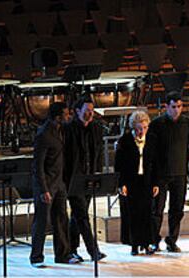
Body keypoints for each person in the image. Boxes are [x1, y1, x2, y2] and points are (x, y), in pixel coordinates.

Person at [145, 91, 189, 253]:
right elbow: (150, 151)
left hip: (180, 173)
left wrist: (187, 156)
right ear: (166, 106)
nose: (177, 110)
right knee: (157, 210)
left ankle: (172, 240)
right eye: (173, 107)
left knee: (177, 209)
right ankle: (154, 240)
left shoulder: (188, 123)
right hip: (160, 175)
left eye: (180, 106)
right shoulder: (156, 124)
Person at [30, 102, 79, 267]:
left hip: (59, 184)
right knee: (42, 221)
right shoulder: (43, 134)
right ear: (58, 117)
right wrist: (44, 189)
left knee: (61, 219)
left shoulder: (62, 130)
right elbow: (38, 166)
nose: (69, 116)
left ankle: (63, 254)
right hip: (46, 185)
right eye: (66, 114)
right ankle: (36, 257)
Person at [63, 96, 106, 261]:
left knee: (77, 215)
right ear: (77, 111)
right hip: (74, 179)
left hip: (89, 178)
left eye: (91, 110)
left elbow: (99, 153)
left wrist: (97, 174)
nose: (90, 113)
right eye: (87, 111)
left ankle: (72, 248)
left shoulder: (96, 128)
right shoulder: (68, 129)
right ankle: (93, 251)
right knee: (82, 215)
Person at [115, 110, 159, 256]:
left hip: (146, 181)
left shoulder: (152, 139)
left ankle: (146, 244)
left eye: (145, 128)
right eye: (139, 128)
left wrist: (156, 183)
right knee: (132, 214)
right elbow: (119, 165)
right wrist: (121, 184)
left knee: (146, 213)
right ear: (133, 127)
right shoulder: (125, 140)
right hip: (131, 182)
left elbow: (155, 164)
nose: (142, 131)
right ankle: (134, 244)